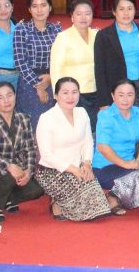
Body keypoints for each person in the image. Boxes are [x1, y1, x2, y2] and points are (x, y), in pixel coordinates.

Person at [35, 77, 114, 221]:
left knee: (101, 206)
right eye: (65, 93)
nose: (70, 97)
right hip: (52, 170)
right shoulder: (46, 118)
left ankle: (61, 200)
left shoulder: (82, 112)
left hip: (79, 166)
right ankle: (57, 202)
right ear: (56, 95)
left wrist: (87, 164)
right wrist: (74, 170)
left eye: (74, 92)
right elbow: (46, 155)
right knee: (91, 209)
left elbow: (88, 141)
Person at [0, 81, 44, 222]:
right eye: (0, 97)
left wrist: (28, 171)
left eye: (9, 95)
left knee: (37, 190)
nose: (6, 101)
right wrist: (9, 166)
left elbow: (30, 148)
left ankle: (6, 199)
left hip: (17, 170)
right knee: (9, 177)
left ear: (15, 96)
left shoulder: (24, 119)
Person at [94, 79, 139, 213]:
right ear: (113, 96)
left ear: (135, 96)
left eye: (130, 95)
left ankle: (120, 197)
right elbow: (102, 147)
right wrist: (126, 164)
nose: (125, 99)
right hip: (105, 166)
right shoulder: (105, 115)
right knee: (137, 177)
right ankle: (112, 198)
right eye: (121, 95)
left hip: (130, 165)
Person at [94, 0, 139, 109]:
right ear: (114, 12)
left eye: (130, 8)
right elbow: (100, 70)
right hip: (118, 90)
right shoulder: (103, 35)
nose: (126, 13)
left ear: (135, 10)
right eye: (121, 9)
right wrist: (104, 101)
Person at [13, 0, 62, 129]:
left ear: (50, 7)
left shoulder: (57, 29)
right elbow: (20, 62)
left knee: (53, 124)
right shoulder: (22, 30)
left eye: (43, 5)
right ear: (29, 9)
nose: (39, 10)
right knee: (35, 124)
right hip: (30, 82)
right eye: (35, 6)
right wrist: (39, 86)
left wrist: (51, 77)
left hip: (53, 79)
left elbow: (62, 58)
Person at [50, 0, 101, 130]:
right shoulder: (63, 37)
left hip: (95, 91)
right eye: (79, 14)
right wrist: (58, 95)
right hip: (72, 94)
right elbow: (56, 68)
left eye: (87, 13)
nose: (83, 17)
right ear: (72, 16)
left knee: (93, 129)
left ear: (92, 15)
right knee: (76, 130)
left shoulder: (97, 35)